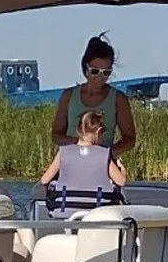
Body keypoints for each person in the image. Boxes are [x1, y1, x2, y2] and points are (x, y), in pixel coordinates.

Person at [50, 37, 136, 172]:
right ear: (86, 68)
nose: (100, 77)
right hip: (71, 165)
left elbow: (129, 139)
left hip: (102, 167)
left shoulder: (118, 99)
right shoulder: (69, 96)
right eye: (95, 71)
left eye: (106, 73)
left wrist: (107, 154)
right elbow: (56, 135)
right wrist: (79, 144)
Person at [41, 109, 128, 210]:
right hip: (97, 213)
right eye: (103, 134)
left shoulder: (63, 152)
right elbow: (121, 181)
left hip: (66, 210)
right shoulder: (104, 154)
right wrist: (122, 169)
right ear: (98, 132)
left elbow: (44, 180)